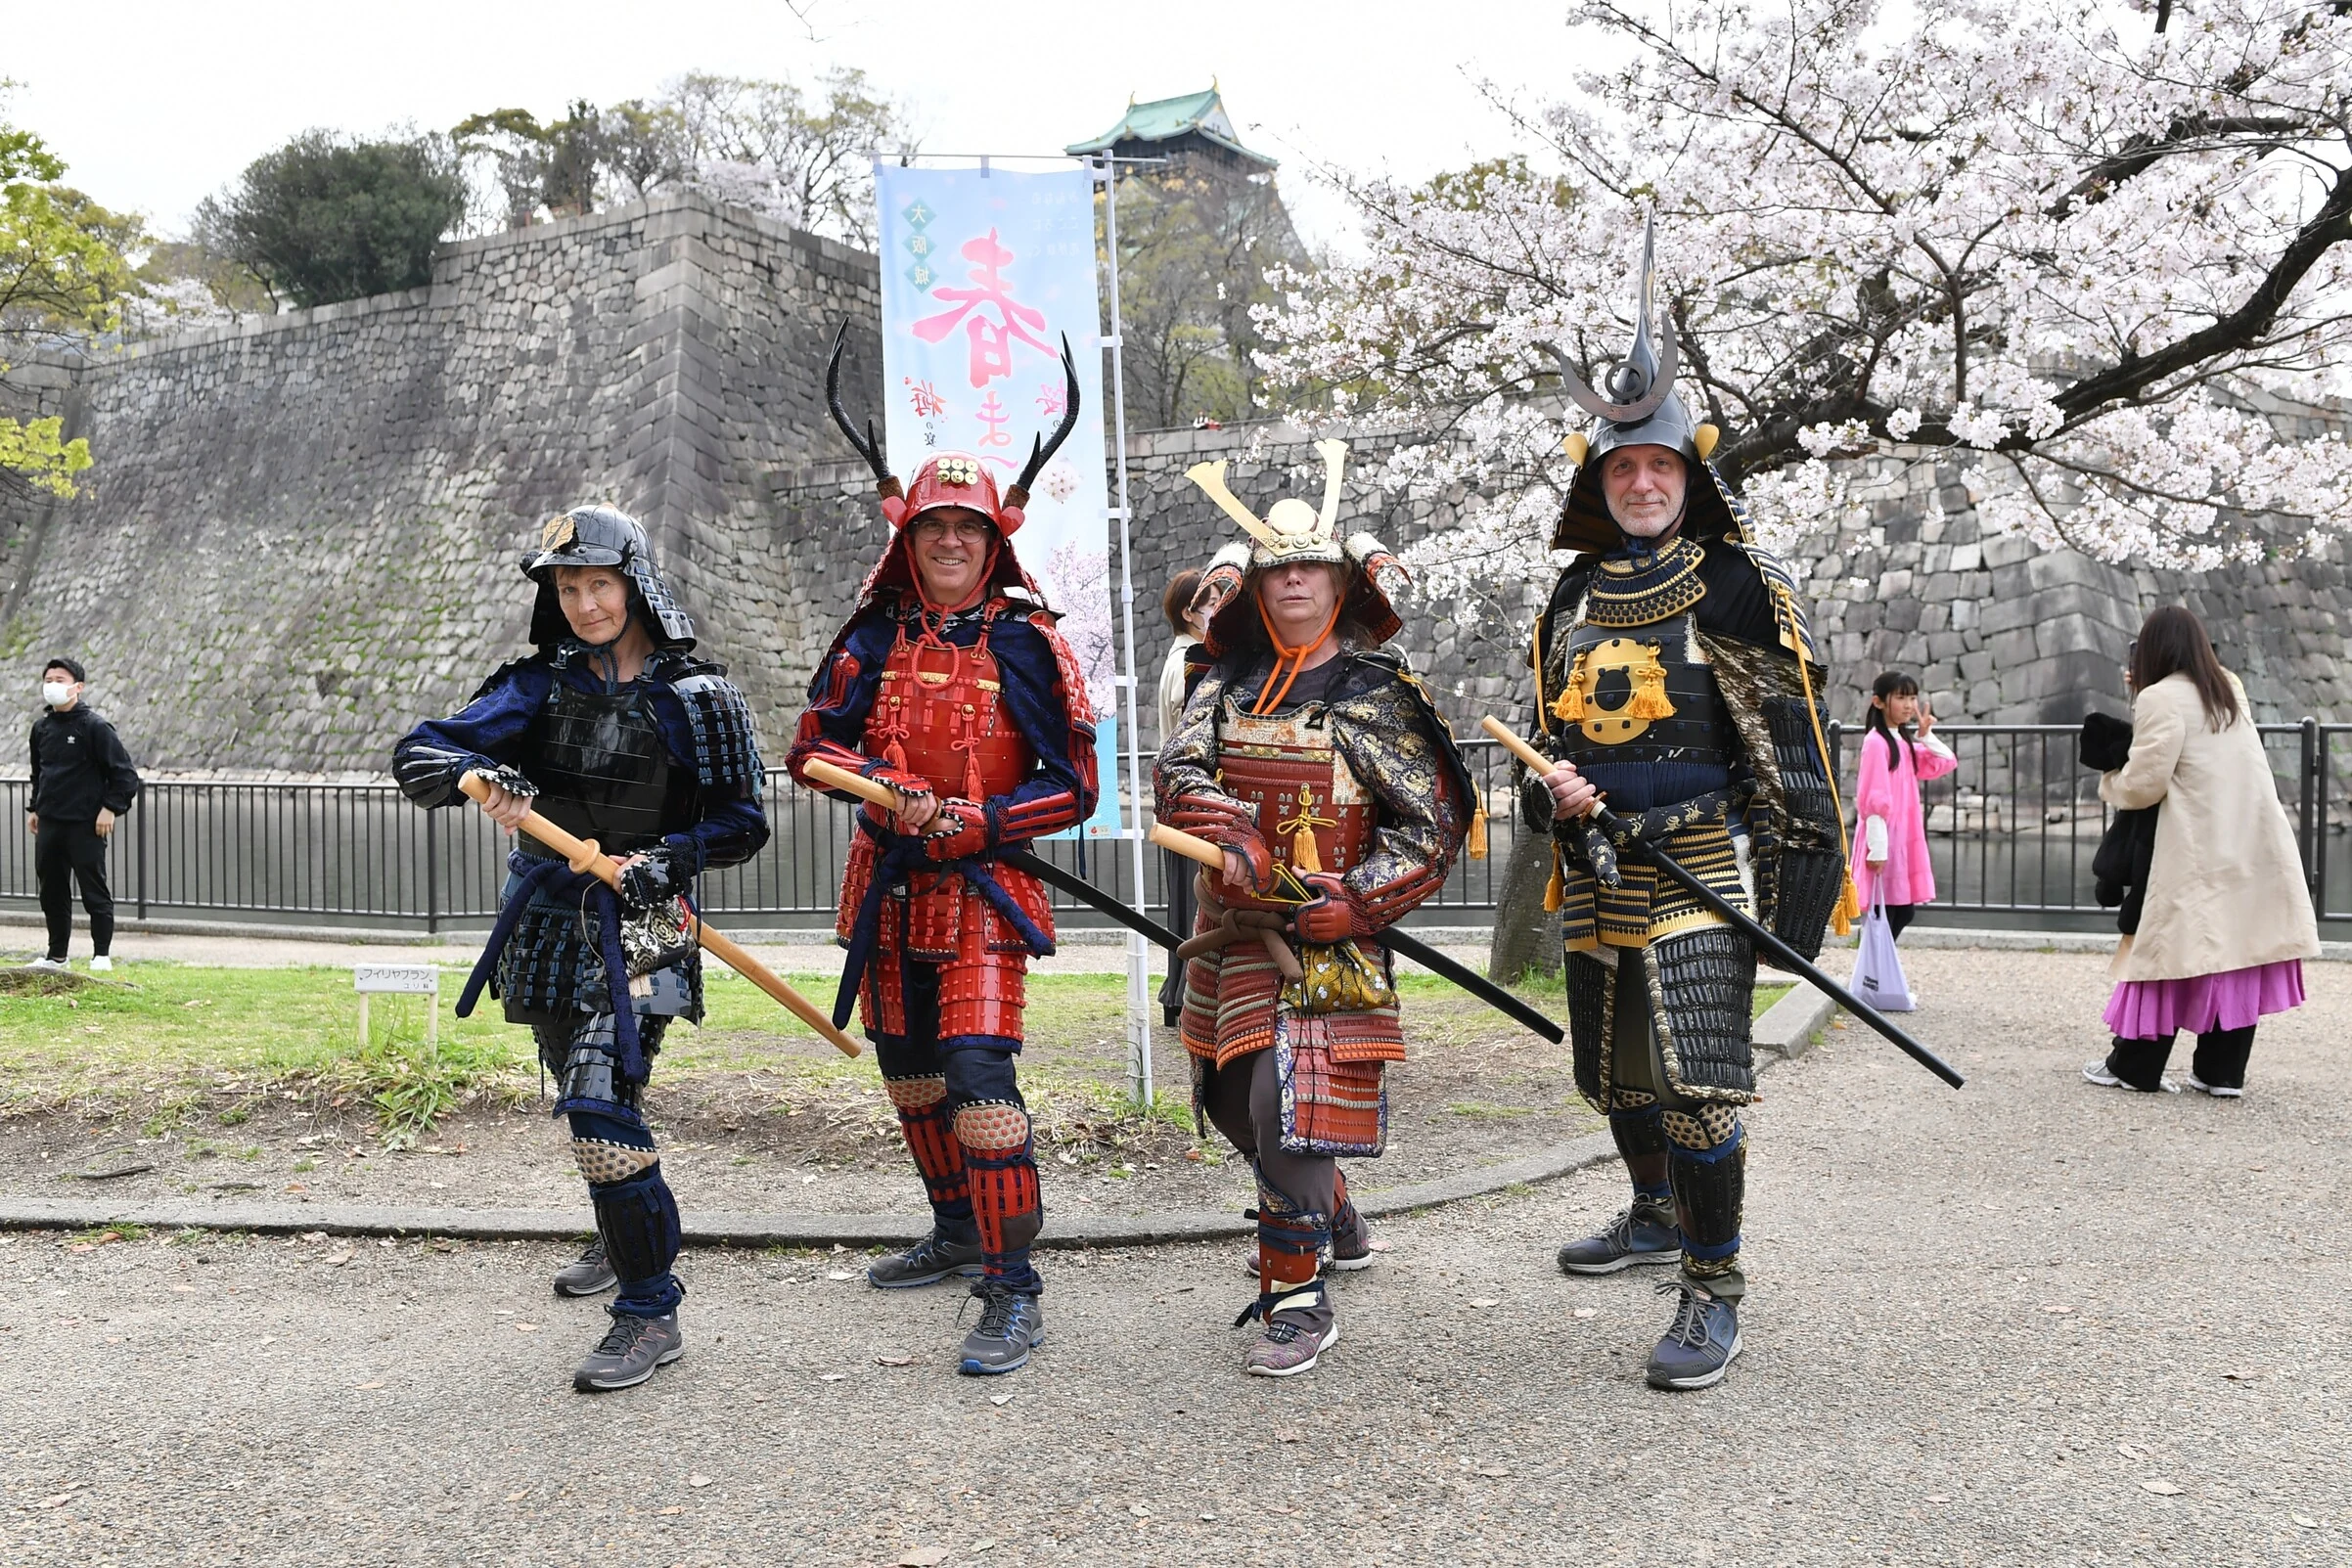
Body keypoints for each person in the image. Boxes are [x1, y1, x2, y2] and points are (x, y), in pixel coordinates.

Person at [1509, 222, 1848, 1391]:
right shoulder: (1566, 597)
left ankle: (1712, 1286)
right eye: (1622, 470)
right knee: (1615, 1074)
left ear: (1688, 478)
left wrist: (1795, 900)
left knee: (1701, 1081)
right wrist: (1547, 796)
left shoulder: (1744, 585)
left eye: (1659, 468)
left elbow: (1793, 756)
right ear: (1597, 485)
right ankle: (1651, 1211)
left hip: (1705, 854)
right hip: (1601, 868)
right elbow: (1534, 746)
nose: (1642, 484)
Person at [391, 506, 769, 1391]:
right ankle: (619, 1227)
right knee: (581, 1095)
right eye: (568, 587)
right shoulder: (536, 686)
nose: (587, 602)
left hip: (644, 924)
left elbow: (744, 821)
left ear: (636, 585)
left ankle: (648, 1308)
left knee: (599, 1104)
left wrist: (668, 857)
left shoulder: (699, 697)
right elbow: (420, 750)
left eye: (600, 583)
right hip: (545, 921)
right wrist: (477, 775)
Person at [789, 337, 1096, 1376]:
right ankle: (957, 1227)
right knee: (910, 1074)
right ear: (908, 539)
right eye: (935, 528)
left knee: (977, 1078)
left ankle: (1014, 1289)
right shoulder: (869, 636)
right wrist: (883, 792)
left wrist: (983, 821)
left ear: (993, 539)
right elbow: (809, 749)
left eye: (968, 527)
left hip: (980, 886)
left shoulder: (1028, 644)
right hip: (885, 884)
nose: (952, 542)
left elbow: (1076, 785)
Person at [1155, 438, 1473, 1377]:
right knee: (1227, 1101)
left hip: (1333, 937)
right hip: (1235, 932)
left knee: (1284, 1104)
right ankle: (1330, 1211)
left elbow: (1434, 819)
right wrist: (1230, 833)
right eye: (1278, 568)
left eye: (1312, 566)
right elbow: (1180, 771)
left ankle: (1296, 1299)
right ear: (1254, 588)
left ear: (1341, 585)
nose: (1295, 580)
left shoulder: (1380, 693)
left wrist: (1362, 900)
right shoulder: (1225, 683)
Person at [2083, 605, 2317, 1097]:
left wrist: (2109, 782)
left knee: (2163, 951)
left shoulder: (2159, 697)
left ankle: (2134, 1066)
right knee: (2237, 950)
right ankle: (2221, 1073)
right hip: (2251, 836)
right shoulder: (2227, 686)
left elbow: (2146, 783)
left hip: (2192, 844)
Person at [25, 657, 142, 974]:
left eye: (59, 679)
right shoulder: (42, 728)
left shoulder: (95, 727)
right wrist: (35, 807)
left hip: (86, 822)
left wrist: (110, 808)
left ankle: (101, 954)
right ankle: (56, 956)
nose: (52, 685)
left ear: (78, 686)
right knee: (51, 890)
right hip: (50, 820)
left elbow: (125, 776)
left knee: (94, 889)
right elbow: (40, 773)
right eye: (48, 679)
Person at [1850, 670, 1956, 942]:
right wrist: (1877, 847)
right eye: (1901, 697)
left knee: (1900, 910)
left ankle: (1877, 975)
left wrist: (1926, 735)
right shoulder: (1876, 742)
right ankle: (1873, 976)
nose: (1909, 705)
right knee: (1887, 911)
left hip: (1902, 836)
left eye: (1912, 697)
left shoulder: (1902, 741)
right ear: (1879, 702)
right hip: (1885, 837)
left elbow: (1945, 761)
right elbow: (1873, 798)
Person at [1155, 568, 1208, 1023]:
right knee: (1194, 902)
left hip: (1179, 800)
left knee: (1186, 901)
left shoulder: (1184, 658)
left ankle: (1180, 991)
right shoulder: (1192, 663)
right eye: (1211, 603)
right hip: (1191, 799)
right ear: (1190, 613)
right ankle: (1186, 992)